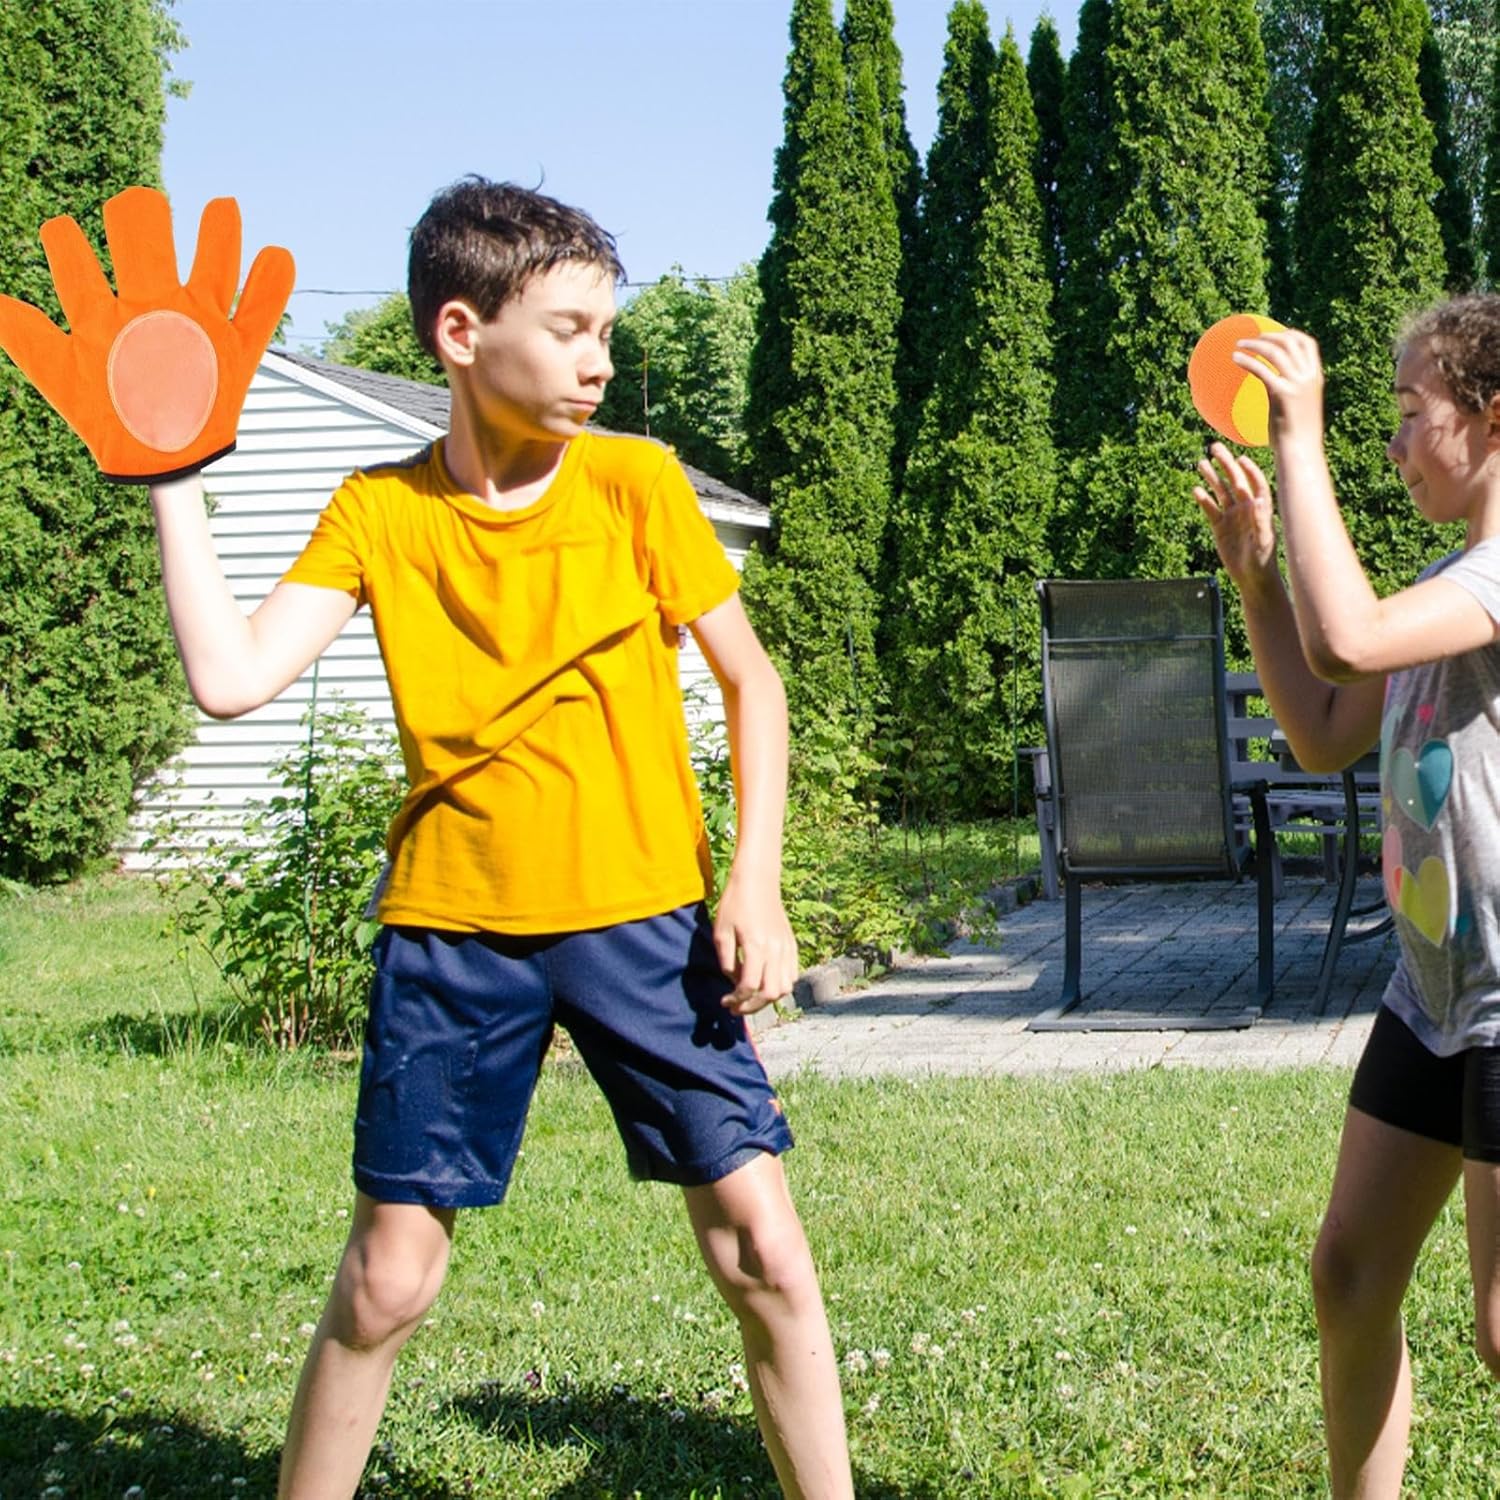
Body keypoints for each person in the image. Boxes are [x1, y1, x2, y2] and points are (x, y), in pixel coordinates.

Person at [148, 178, 852, 1500]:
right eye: (572, 329)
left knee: (761, 1246)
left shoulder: (636, 484)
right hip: (453, 935)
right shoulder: (378, 511)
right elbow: (232, 678)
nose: (601, 361)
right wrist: (168, 478)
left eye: (606, 331)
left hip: (646, 925)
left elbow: (752, 682)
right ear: (462, 333)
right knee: (387, 1280)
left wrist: (752, 881)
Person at [1193, 294, 1500, 1499]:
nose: (1392, 441)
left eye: (1411, 413)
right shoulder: (1446, 581)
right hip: (1433, 995)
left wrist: (1297, 433)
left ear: (1491, 419)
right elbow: (1323, 726)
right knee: (1351, 1277)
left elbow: (1352, 641)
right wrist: (1259, 578)